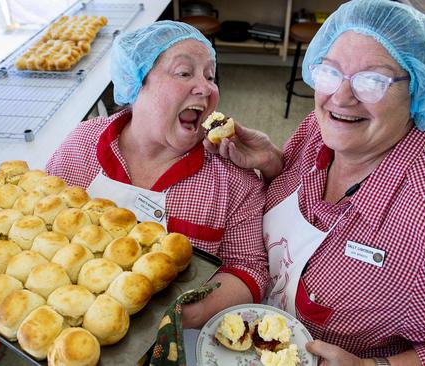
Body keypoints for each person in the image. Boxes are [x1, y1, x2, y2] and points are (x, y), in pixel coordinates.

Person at [205, 0, 425, 364]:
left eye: (372, 80)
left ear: (418, 89)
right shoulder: (319, 130)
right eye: (330, 72)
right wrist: (273, 164)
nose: (341, 97)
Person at [45, 21, 269, 328]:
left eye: (210, 76)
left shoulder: (232, 180)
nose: (206, 87)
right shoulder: (80, 146)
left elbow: (250, 269)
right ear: (137, 83)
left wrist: (189, 314)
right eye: (184, 72)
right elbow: (44, 215)